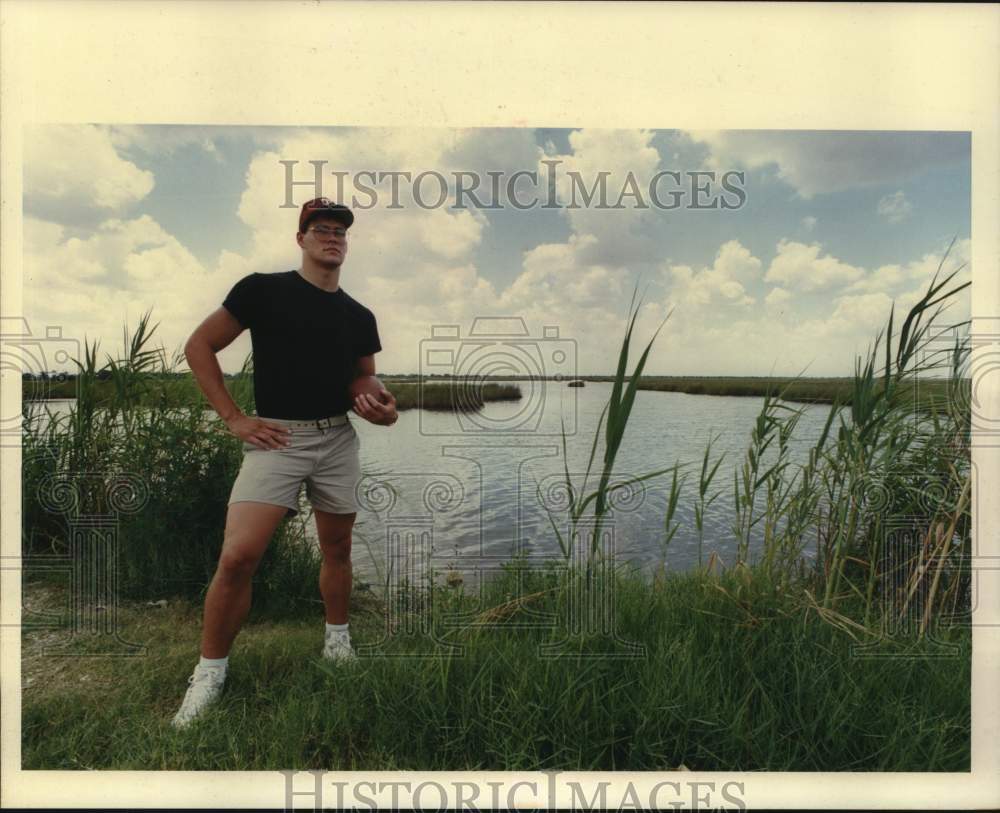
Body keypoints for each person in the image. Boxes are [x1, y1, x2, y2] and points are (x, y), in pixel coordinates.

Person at [172, 198, 397, 729]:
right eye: (321, 228)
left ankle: (337, 641)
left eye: (341, 231)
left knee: (337, 547)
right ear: (301, 239)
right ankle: (209, 673)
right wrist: (233, 418)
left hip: (337, 439)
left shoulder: (359, 315)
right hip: (277, 439)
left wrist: (381, 405)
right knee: (238, 556)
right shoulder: (261, 291)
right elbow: (200, 345)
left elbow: (365, 378)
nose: (333, 237)